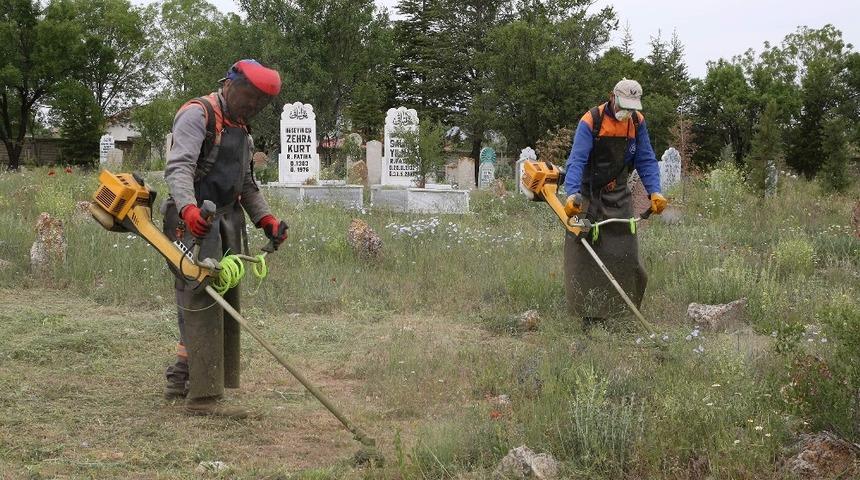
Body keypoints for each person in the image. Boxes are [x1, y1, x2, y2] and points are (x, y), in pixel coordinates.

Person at [161, 59, 288, 417]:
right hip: (193, 219)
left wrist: (266, 220)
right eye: (248, 99)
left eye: (258, 105)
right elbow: (179, 168)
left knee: (219, 300)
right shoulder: (197, 114)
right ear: (230, 85)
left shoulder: (241, 129)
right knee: (199, 298)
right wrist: (188, 210)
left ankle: (182, 376)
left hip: (226, 222)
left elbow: (245, 184)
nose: (251, 108)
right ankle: (201, 398)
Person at [562, 78, 667, 329]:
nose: (626, 112)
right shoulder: (592, 121)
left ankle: (620, 313)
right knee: (584, 253)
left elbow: (646, 159)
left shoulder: (636, 123)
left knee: (625, 251)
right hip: (587, 194)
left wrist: (655, 192)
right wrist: (571, 194)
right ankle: (588, 315)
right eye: (623, 105)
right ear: (612, 97)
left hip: (618, 193)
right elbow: (576, 160)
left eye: (632, 108)